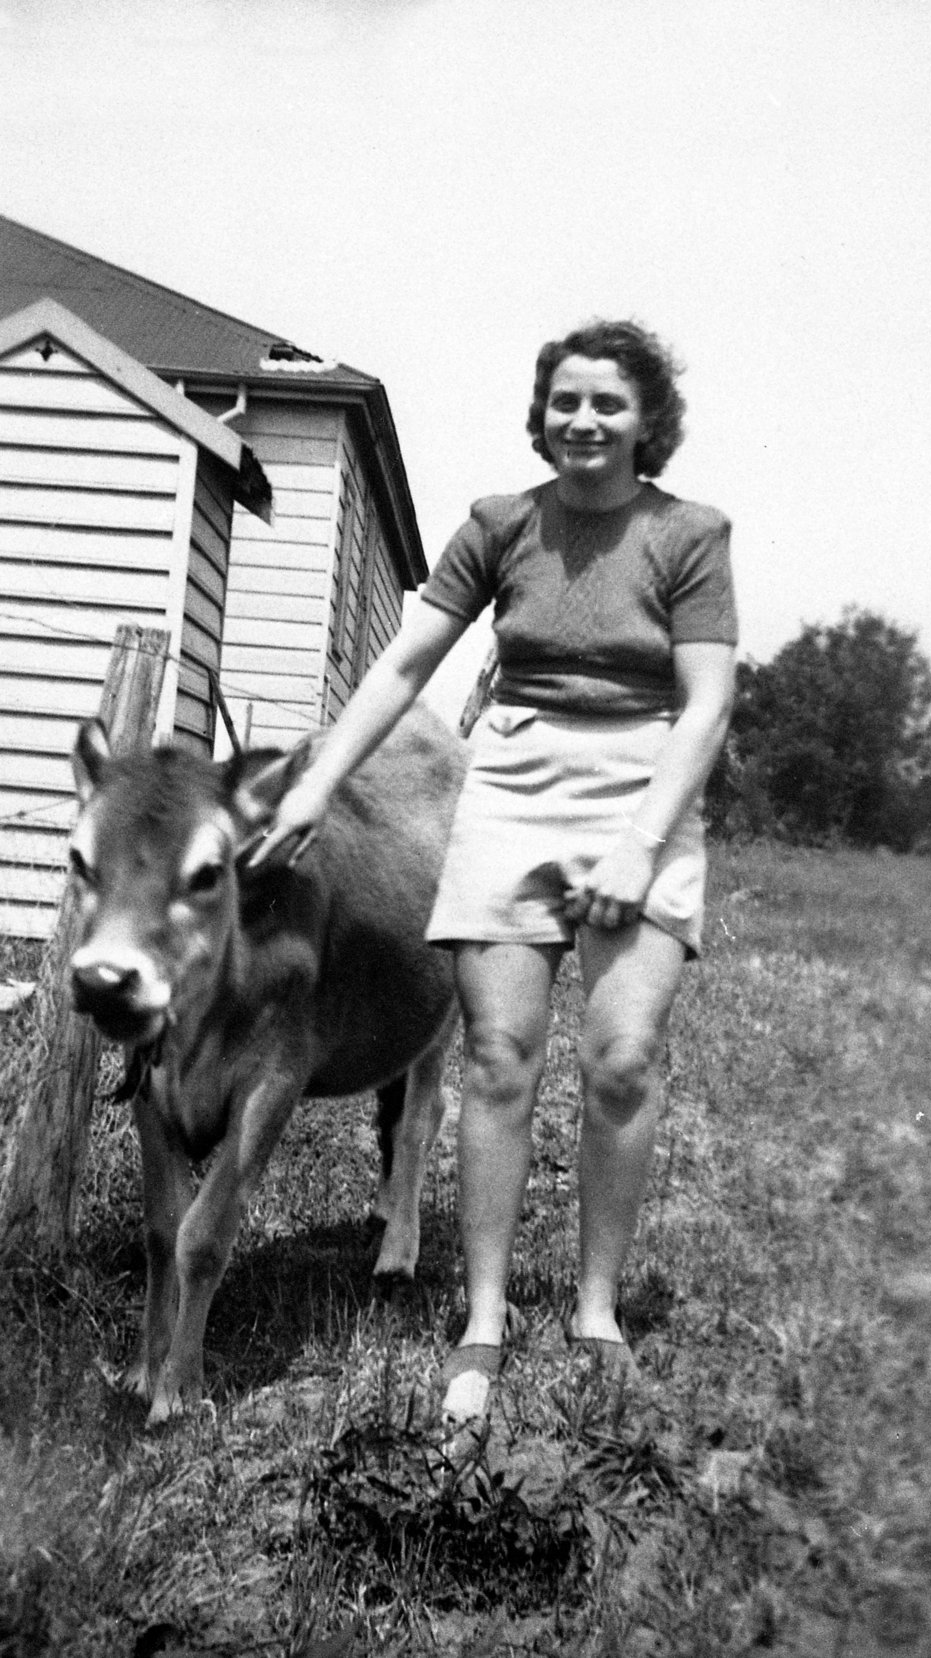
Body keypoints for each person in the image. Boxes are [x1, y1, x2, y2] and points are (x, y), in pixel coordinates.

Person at [249, 319, 738, 1425]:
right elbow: (405, 661)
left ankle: (597, 1306)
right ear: (542, 411)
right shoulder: (499, 525)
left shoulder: (690, 535)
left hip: (644, 790)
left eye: (607, 403)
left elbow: (705, 703)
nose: (583, 420)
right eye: (565, 400)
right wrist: (315, 786)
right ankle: (480, 1314)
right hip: (513, 787)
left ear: (644, 419)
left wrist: (635, 845)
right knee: (499, 1054)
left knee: (622, 1057)